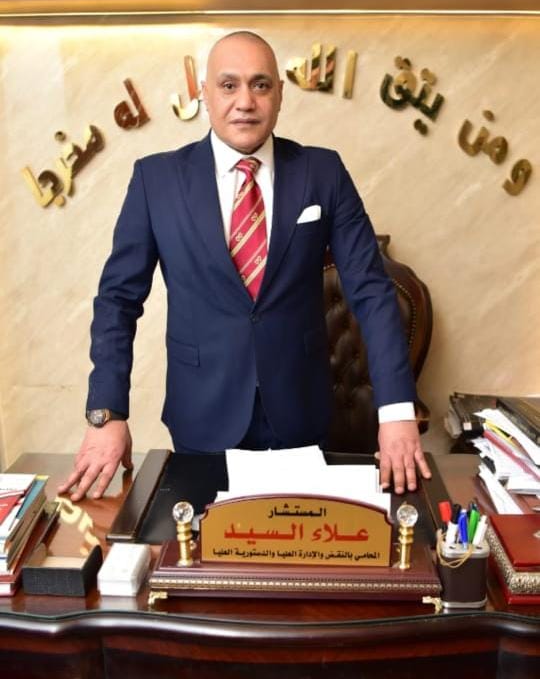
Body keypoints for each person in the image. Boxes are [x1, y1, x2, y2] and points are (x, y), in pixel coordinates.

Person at [58, 31, 431, 503]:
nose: (245, 102)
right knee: (200, 547)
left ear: (280, 94)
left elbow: (372, 292)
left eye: (260, 85)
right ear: (205, 94)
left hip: (302, 415)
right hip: (202, 417)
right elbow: (118, 300)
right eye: (229, 85)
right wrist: (107, 413)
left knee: (300, 544)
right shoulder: (156, 180)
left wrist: (396, 411)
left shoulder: (323, 172)